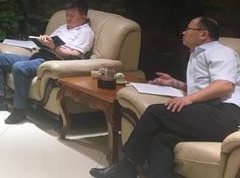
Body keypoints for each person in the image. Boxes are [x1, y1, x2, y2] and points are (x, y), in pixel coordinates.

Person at [90, 17, 240, 178]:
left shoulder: (221, 52)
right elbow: (206, 87)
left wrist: (188, 99)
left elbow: (224, 86)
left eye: (188, 29)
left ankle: (126, 167)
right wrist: (175, 83)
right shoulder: (198, 54)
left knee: (154, 112)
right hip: (209, 111)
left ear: (203, 34)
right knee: (161, 139)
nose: (183, 32)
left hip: (226, 114)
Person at [0, 0, 94, 124]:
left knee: (19, 67)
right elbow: (50, 41)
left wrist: (54, 47)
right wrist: (43, 40)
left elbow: (75, 55)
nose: (68, 18)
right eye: (67, 15)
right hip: (40, 55)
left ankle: (19, 110)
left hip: (53, 61)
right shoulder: (64, 27)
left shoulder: (85, 32)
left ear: (83, 17)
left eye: (72, 16)